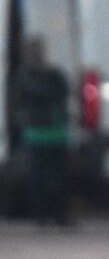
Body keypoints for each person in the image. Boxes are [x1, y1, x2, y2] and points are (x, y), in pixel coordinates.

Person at [13, 36, 71, 227]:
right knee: (51, 176)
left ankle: (48, 215)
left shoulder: (26, 76)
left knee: (45, 177)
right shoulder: (49, 75)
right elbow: (61, 92)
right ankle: (52, 215)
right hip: (47, 133)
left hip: (44, 133)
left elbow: (21, 100)